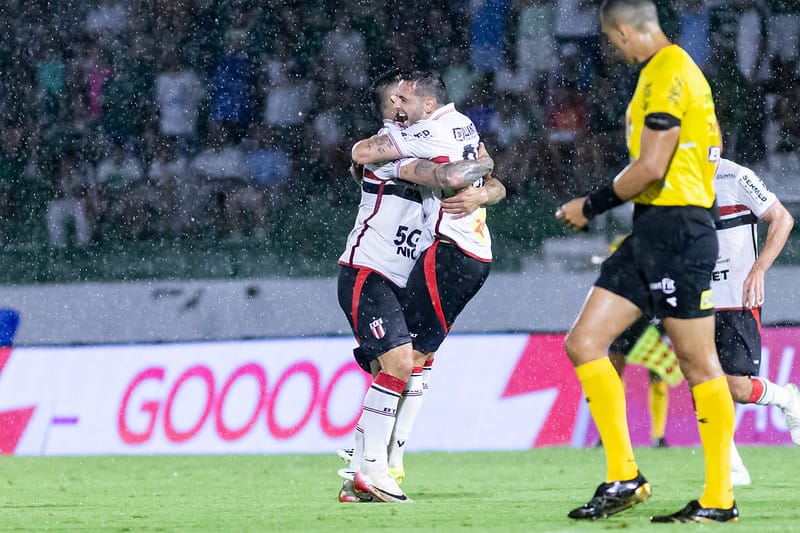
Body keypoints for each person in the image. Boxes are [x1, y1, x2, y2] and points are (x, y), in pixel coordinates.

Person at [556, 0, 737, 523]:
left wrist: (591, 205)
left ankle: (719, 499)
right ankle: (624, 477)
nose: (613, 50)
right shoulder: (661, 71)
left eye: (612, 40)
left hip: (681, 231)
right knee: (584, 342)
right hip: (651, 230)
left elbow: (653, 165)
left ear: (624, 31)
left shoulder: (668, 72)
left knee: (697, 363)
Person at [338, 69, 497, 504]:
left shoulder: (433, 136)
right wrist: (483, 166)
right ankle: (373, 468)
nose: (400, 105)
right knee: (400, 363)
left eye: (405, 99)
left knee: (411, 363)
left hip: (403, 278)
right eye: (396, 100)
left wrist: (484, 189)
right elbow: (446, 176)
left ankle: (365, 467)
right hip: (368, 274)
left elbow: (476, 177)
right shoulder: (386, 151)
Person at [710, 157, 798, 487]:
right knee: (701, 382)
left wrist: (758, 269)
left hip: (737, 299)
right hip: (698, 299)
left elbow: (782, 218)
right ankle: (731, 468)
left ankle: (787, 398)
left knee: (737, 388)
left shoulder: (736, 176)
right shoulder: (678, 178)